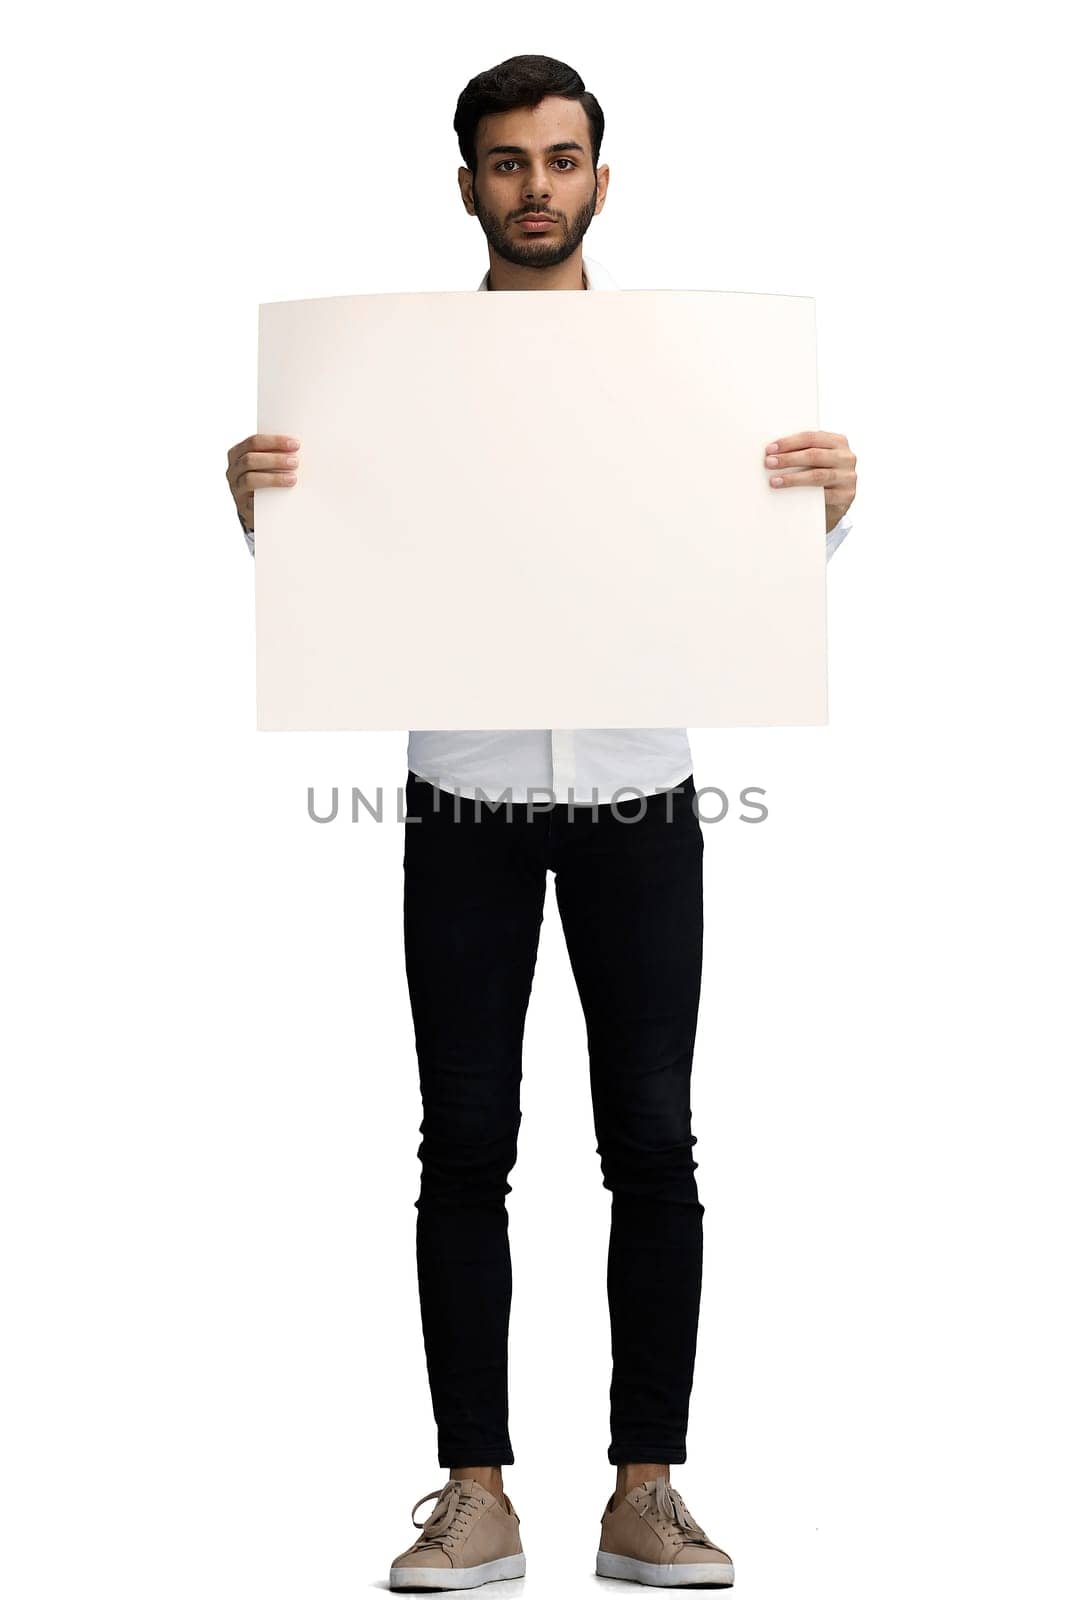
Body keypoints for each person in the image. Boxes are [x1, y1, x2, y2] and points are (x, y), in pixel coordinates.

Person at [225, 53, 856, 1592]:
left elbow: (727, 566)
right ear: (467, 187)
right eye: (506, 164)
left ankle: (648, 1491)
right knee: (465, 1144)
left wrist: (821, 508)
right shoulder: (390, 376)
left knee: (652, 1138)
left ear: (600, 178)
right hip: (467, 790)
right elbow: (351, 564)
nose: (536, 190)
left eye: (561, 160)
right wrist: (265, 507)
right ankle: (478, 1492)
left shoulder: (687, 369)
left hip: (641, 787)